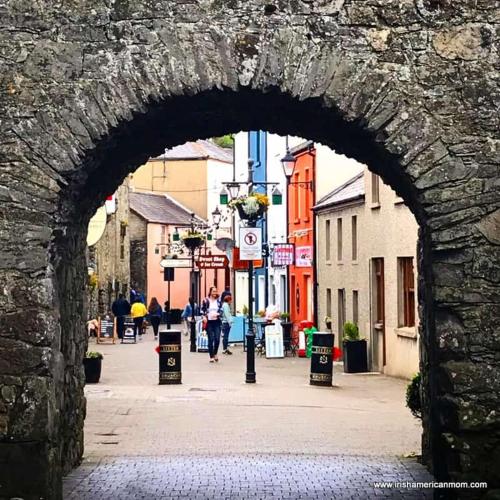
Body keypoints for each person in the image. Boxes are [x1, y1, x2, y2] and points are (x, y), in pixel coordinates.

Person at [201, 286, 222, 363]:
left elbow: (221, 310)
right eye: (213, 291)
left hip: (216, 321)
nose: (215, 293)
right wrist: (204, 317)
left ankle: (215, 352)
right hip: (209, 322)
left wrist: (218, 314)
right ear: (210, 292)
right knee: (211, 339)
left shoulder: (218, 301)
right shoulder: (206, 301)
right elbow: (202, 310)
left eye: (216, 291)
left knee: (217, 339)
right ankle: (211, 356)